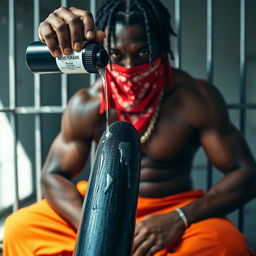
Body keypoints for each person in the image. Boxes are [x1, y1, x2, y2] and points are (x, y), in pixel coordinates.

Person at [3, 0, 256, 255]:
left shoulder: (194, 98)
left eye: (142, 53)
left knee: (227, 245)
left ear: (161, 47)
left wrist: (179, 218)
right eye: (117, 55)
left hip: (170, 210)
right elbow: (52, 175)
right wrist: (97, 229)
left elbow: (246, 172)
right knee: (19, 227)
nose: (130, 65)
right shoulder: (87, 103)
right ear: (103, 50)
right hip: (98, 208)